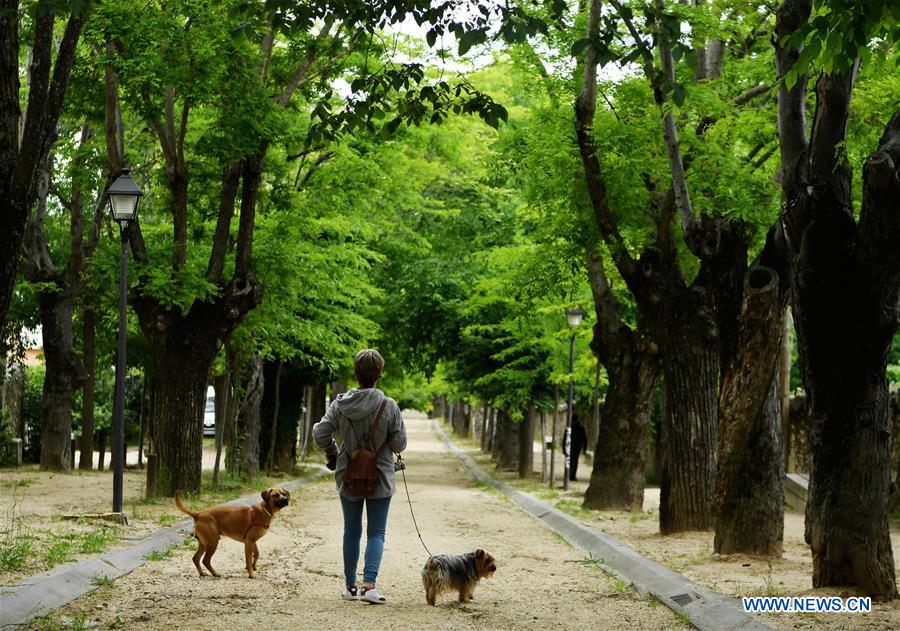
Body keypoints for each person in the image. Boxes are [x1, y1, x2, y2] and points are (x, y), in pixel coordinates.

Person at [313, 349, 407, 604]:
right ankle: (369, 586)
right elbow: (399, 445)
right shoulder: (389, 406)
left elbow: (320, 433)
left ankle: (350, 587)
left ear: (356, 373)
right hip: (381, 476)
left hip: (349, 475)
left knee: (351, 531)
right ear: (380, 375)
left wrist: (334, 453)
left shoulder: (340, 404)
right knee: (376, 532)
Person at [568, 412, 588, 482]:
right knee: (574, 461)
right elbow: (584, 439)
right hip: (576, 447)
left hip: (571, 447)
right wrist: (584, 448)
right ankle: (572, 475)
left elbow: (565, 438)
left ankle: (570, 475)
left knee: (570, 461)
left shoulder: (569, 427)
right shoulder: (580, 428)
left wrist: (564, 448)